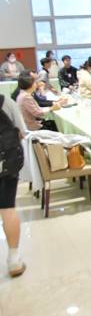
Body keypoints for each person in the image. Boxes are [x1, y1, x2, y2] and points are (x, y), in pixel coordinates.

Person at [1, 94, 26, 277]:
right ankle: (14, 260)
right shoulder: (6, 102)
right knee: (7, 208)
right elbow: (21, 131)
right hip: (5, 162)